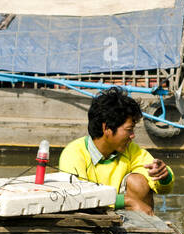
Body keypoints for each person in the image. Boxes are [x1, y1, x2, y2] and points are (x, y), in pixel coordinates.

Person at [56, 86, 174, 215]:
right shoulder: (73, 153)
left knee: (138, 182)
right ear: (107, 128)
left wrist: (163, 175)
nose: (133, 135)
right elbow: (78, 196)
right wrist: (128, 201)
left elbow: (161, 186)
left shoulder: (131, 149)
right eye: (129, 129)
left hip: (123, 218)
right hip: (86, 221)